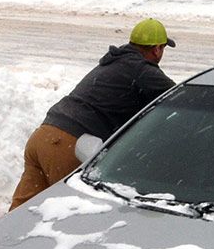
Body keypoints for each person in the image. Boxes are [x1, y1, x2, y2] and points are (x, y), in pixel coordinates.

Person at [10, 18, 177, 209]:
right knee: (73, 212)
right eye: (162, 48)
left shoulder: (114, 62)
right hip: (69, 144)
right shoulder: (142, 70)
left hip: (43, 136)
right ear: (156, 49)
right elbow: (178, 98)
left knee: (20, 212)